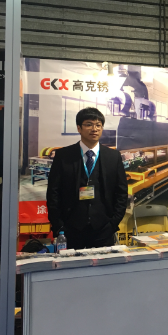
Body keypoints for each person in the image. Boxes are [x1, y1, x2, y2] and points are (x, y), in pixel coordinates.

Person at [47, 107, 128, 250]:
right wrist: (59, 225)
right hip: (70, 228)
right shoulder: (63, 156)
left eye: (98, 125)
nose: (94, 129)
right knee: (71, 264)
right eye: (89, 124)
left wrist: (113, 223)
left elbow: (121, 192)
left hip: (103, 228)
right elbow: (53, 192)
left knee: (102, 264)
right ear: (79, 128)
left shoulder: (113, 157)